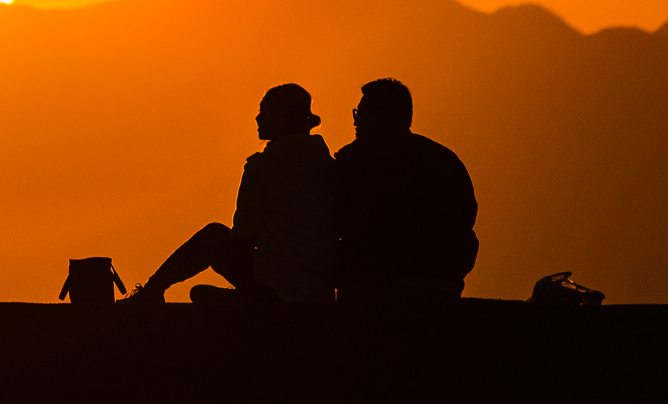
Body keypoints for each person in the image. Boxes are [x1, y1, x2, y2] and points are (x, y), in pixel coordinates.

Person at [119, 83, 335, 303]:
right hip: (319, 291)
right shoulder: (329, 165)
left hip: (276, 290)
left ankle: (152, 291)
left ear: (282, 118)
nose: (258, 118)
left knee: (213, 237)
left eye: (265, 112)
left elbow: (244, 236)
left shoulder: (262, 167)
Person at [334, 78, 479, 304]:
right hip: (438, 285)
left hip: (375, 288)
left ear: (378, 116)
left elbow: (338, 220)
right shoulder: (444, 160)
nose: (355, 122)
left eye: (360, 114)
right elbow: (465, 218)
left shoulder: (355, 160)